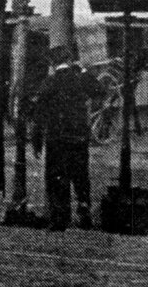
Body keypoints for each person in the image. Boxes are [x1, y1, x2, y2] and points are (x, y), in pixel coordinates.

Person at [32, 44, 104, 231]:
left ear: (52, 63)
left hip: (56, 138)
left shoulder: (49, 82)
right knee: (81, 176)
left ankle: (60, 219)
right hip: (79, 136)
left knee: (57, 177)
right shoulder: (80, 78)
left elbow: (38, 115)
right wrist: (84, 71)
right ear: (70, 60)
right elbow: (100, 91)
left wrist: (36, 142)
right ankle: (84, 212)